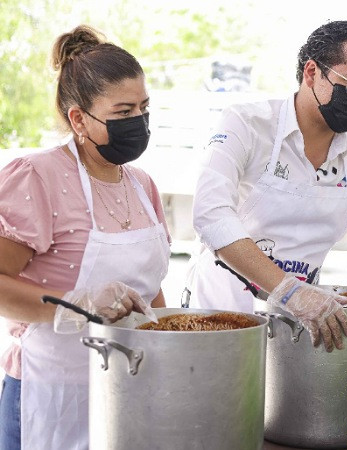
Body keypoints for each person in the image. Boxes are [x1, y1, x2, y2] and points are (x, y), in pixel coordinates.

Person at [188, 21, 347, 353]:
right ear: (312, 72)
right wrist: (289, 291)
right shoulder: (247, 124)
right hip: (221, 321)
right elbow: (211, 217)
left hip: (298, 328)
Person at [0, 25, 169, 449]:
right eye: (123, 112)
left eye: (144, 109)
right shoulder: (37, 178)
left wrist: (173, 341)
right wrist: (76, 304)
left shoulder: (141, 184)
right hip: (51, 392)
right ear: (79, 118)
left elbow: (150, 288)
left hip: (130, 389)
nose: (139, 123)